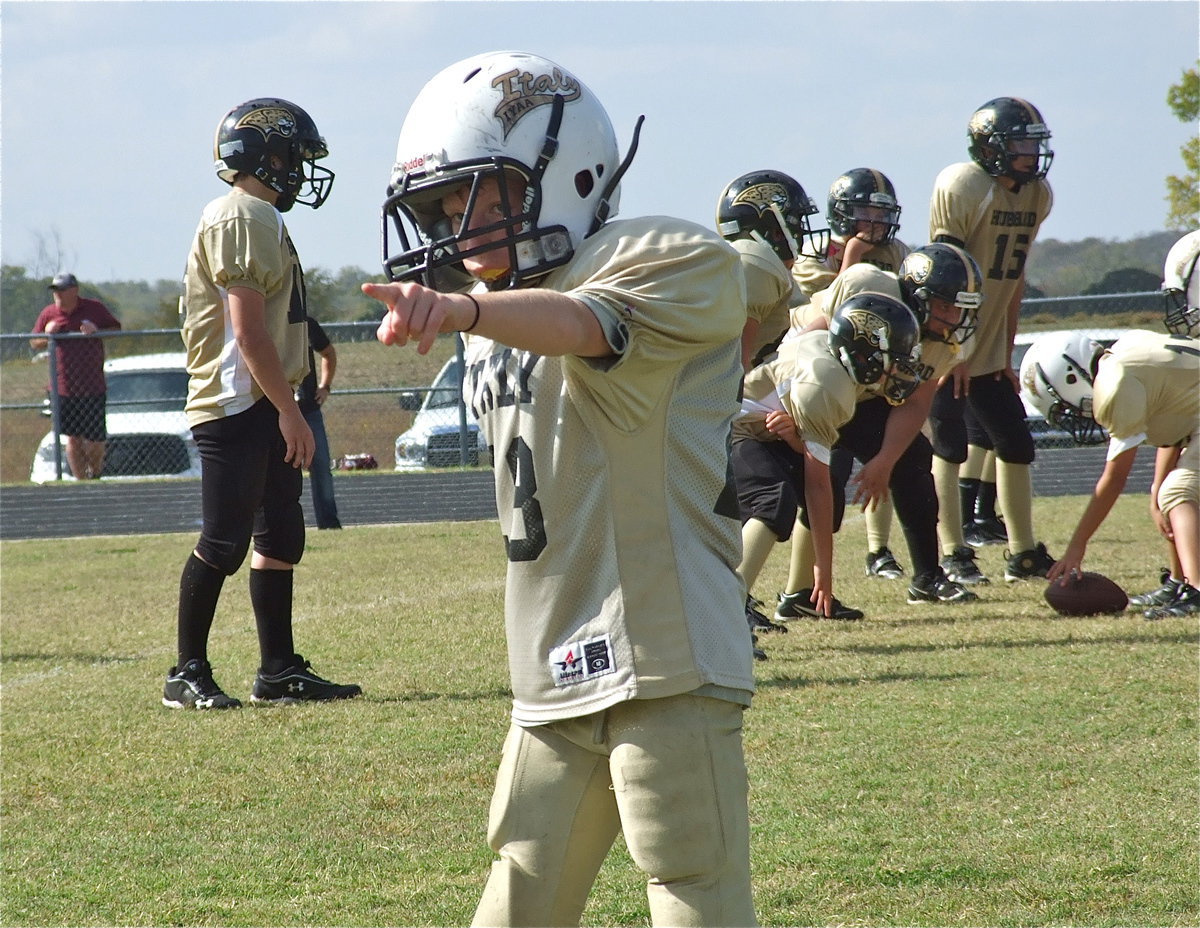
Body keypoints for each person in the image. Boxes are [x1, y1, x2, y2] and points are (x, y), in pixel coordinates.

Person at [364, 51, 757, 926]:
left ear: (569, 173)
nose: (458, 228)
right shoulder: (494, 311)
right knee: (520, 895)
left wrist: (463, 309)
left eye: (479, 198)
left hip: (662, 648)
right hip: (552, 654)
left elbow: (587, 323)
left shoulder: (661, 256)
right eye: (440, 209)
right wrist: (471, 310)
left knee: (691, 881)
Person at [164, 97, 360, 711]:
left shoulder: (260, 215)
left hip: (265, 397)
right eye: (294, 156)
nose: (300, 169)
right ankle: (185, 672)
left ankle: (278, 670)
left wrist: (288, 403)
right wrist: (290, 410)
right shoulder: (239, 215)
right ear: (267, 157)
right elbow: (247, 334)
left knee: (280, 535)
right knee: (225, 539)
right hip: (236, 399)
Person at [775, 244, 985, 613]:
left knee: (912, 458)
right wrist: (792, 405)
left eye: (960, 308)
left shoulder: (943, 339)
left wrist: (885, 460)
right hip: (808, 376)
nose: (955, 318)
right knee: (824, 480)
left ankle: (927, 577)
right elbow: (807, 345)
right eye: (945, 306)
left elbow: (917, 402)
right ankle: (800, 592)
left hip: (862, 390)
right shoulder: (868, 285)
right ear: (919, 296)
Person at [734, 292, 925, 640]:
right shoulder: (827, 385)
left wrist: (793, 434)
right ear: (864, 354)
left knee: (828, 496)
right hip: (730, 429)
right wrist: (824, 570)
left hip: (761, 429)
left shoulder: (834, 361)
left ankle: (798, 596)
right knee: (773, 500)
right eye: (895, 360)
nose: (901, 369)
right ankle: (726, 611)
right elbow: (815, 485)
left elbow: (805, 446)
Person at [927, 96, 1057, 582]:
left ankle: (1023, 552)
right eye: (1021, 143)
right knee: (949, 444)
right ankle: (952, 552)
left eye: (1034, 143)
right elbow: (945, 276)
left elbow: (1014, 278)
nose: (1031, 153)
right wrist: (955, 351)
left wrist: (1003, 350)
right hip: (944, 339)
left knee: (1015, 442)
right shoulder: (965, 185)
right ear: (990, 147)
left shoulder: (1036, 195)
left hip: (985, 345)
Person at [1025, 326, 1199, 618]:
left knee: (1177, 491)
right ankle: (1179, 581)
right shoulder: (1127, 349)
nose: (1076, 414)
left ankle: (1196, 589)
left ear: (1071, 378)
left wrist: (1077, 545)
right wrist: (1155, 490)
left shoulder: (1115, 384)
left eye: (1066, 407)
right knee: (1166, 493)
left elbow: (1114, 479)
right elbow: (1176, 425)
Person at [791, 168, 910, 581]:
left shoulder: (898, 252)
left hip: (873, 377)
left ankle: (879, 550)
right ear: (842, 213)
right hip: (825, 375)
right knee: (827, 478)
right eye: (864, 212)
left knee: (885, 462)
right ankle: (801, 584)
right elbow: (835, 309)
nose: (874, 222)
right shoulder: (816, 251)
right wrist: (853, 256)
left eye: (881, 213)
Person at [715, 169, 826, 372]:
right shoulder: (756, 264)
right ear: (776, 232)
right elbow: (733, 366)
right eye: (797, 222)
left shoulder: (758, 268)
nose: (802, 231)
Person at [30, 273, 122, 479]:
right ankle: (81, 482)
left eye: (62, 290)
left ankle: (95, 473)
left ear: (74, 290)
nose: (58, 294)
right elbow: (34, 342)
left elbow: (116, 329)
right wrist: (47, 335)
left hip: (92, 386)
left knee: (95, 440)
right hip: (63, 387)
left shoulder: (94, 308)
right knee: (73, 438)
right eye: (55, 290)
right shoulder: (49, 313)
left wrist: (97, 330)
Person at [298, 315, 342, 530]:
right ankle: (279, 525)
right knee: (276, 471)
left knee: (321, 467)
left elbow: (328, 353)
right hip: (276, 412)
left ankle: (329, 524)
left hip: (309, 411)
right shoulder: (267, 319)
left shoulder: (306, 323)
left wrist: (325, 387)